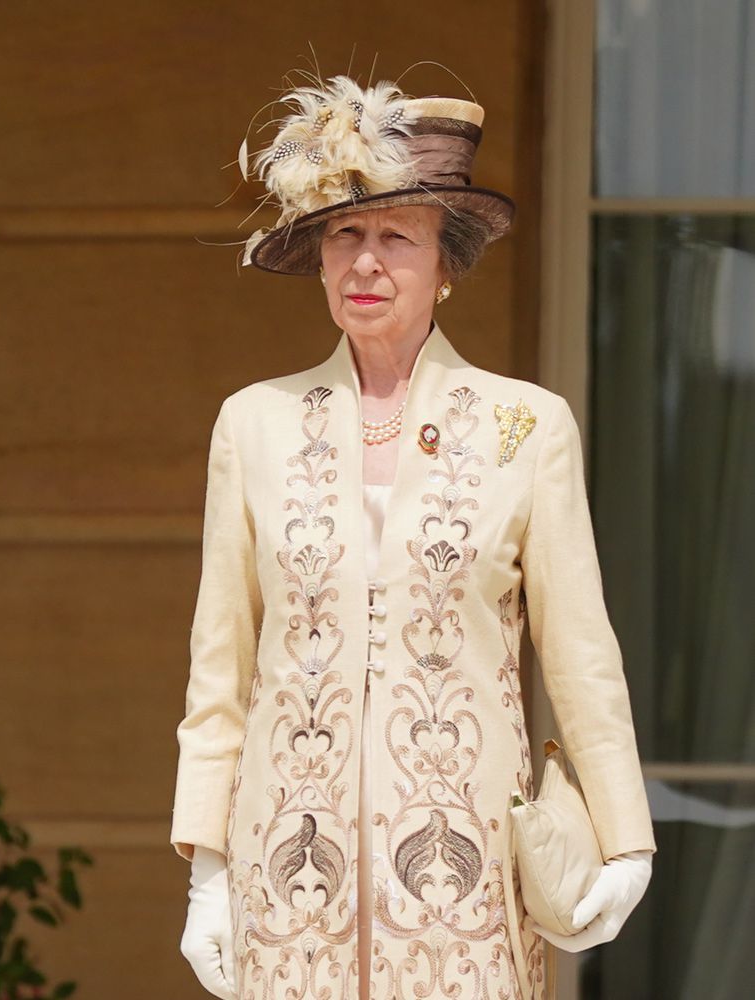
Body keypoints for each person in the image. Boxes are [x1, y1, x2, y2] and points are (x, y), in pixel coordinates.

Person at [170, 73, 655, 999]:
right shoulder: (254, 423)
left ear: (448, 267)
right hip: (288, 884)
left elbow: (583, 657)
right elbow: (219, 670)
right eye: (345, 236)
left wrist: (626, 840)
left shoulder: (528, 426)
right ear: (315, 258)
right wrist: (208, 869)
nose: (366, 263)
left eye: (398, 238)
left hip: (465, 894)